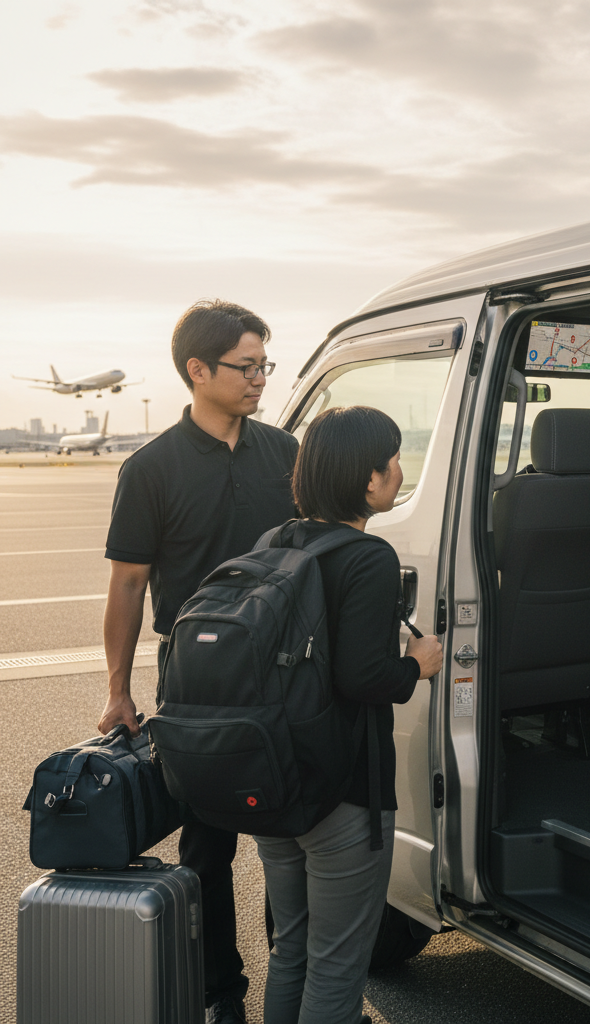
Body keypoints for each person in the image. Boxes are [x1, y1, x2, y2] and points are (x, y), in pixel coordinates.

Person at [99, 299, 299, 1024]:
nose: (258, 380)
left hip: (287, 674)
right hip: (196, 683)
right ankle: (222, 995)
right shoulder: (151, 468)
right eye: (247, 367)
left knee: (295, 838)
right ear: (198, 370)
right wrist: (118, 691)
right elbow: (127, 583)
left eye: (262, 366)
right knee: (207, 849)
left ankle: (298, 992)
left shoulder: (285, 452)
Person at [255, 405, 443, 1024]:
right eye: (392, 461)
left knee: (292, 952)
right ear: (368, 479)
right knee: (337, 966)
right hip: (342, 791)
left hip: (275, 780)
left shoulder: (273, 543)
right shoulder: (368, 557)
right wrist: (419, 663)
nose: (398, 470)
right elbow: (365, 678)